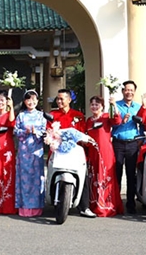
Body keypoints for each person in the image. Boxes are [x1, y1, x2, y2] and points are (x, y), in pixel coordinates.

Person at [51, 88, 92, 217]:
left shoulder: (78, 115)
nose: (59, 101)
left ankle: (84, 206)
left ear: (69, 100)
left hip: (74, 151)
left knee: (83, 174)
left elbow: (82, 132)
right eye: (57, 99)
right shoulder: (52, 115)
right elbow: (48, 130)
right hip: (58, 150)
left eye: (61, 99)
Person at [85, 96, 123, 216]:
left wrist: (113, 104)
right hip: (92, 151)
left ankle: (106, 205)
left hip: (105, 152)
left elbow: (117, 120)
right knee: (93, 176)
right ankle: (94, 204)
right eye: (92, 104)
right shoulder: (89, 120)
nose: (94, 107)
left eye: (97, 104)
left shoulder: (106, 117)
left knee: (105, 176)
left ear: (102, 106)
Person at [111, 80, 142, 214]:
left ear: (134, 92)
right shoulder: (115, 105)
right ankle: (116, 203)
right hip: (118, 143)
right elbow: (111, 123)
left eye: (131, 90)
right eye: (127, 90)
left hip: (133, 144)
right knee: (117, 173)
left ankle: (130, 203)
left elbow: (142, 124)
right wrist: (122, 122)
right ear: (123, 91)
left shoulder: (138, 107)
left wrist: (141, 139)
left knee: (131, 174)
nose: (129, 92)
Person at [14, 89, 47, 217]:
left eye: (33, 99)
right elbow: (16, 131)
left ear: (37, 101)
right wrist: (25, 132)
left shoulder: (41, 116)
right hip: (24, 151)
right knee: (24, 179)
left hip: (37, 151)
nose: (31, 102)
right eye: (28, 99)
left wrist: (36, 132)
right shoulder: (21, 116)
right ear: (24, 101)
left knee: (37, 178)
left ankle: (37, 207)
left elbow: (45, 132)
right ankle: (24, 207)